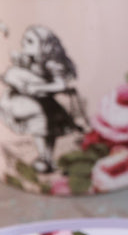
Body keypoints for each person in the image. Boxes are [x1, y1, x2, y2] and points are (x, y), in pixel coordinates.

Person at [0, 26, 87, 172]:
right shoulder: (31, 58)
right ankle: (44, 158)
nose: (23, 42)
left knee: (46, 128)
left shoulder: (52, 63)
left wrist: (38, 88)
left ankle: (46, 159)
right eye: (24, 39)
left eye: (29, 41)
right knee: (40, 125)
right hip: (29, 99)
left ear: (45, 45)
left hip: (45, 101)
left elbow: (60, 84)